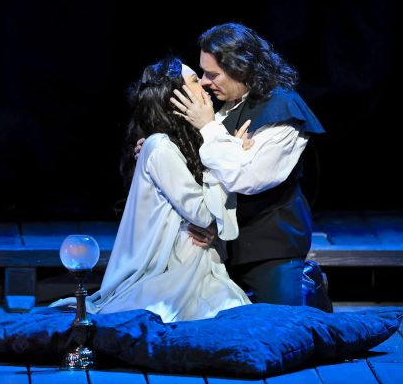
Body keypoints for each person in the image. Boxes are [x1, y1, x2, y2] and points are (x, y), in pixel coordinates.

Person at [50, 57, 252, 322]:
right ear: (176, 96)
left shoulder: (188, 141)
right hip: (177, 271)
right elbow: (203, 215)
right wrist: (229, 156)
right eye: (194, 80)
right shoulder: (159, 147)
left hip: (198, 264)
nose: (204, 84)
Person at [168, 22, 332, 311]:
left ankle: (308, 283)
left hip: (268, 244)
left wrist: (209, 129)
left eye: (213, 74)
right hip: (218, 242)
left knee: (284, 325)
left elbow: (247, 179)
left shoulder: (282, 109)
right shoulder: (220, 104)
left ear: (241, 69)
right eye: (203, 73)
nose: (204, 82)